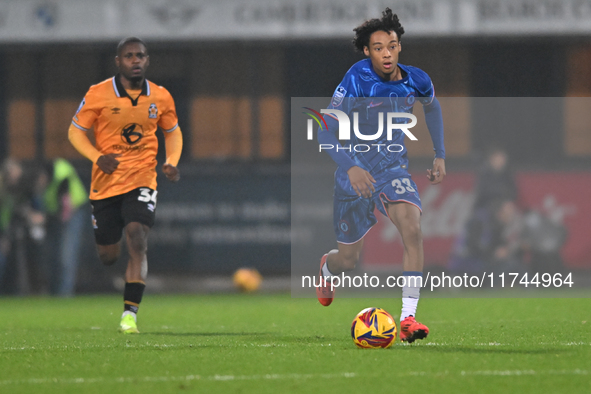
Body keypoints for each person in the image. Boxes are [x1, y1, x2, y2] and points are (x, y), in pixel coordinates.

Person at [315, 9, 445, 343]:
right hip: (353, 176)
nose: (386, 53)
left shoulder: (417, 80)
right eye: (378, 48)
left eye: (392, 45)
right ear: (366, 51)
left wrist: (439, 154)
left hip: (391, 171)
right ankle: (328, 268)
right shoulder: (355, 80)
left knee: (413, 230)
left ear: (399, 47)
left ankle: (408, 318)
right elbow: (324, 132)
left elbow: (432, 107)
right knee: (348, 260)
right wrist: (351, 166)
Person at [68, 37, 183, 333]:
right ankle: (114, 253)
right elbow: (75, 132)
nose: (136, 60)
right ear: (118, 61)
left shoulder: (161, 96)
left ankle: (129, 314)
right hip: (106, 184)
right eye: (129, 56)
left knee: (137, 237)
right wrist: (97, 157)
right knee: (109, 255)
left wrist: (171, 160)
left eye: (141, 55)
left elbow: (172, 132)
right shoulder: (98, 94)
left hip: (143, 179)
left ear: (147, 60)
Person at [40, 158, 89, 296]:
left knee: (66, 256)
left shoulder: (61, 174)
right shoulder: (51, 177)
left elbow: (65, 207)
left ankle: (64, 293)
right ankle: (56, 292)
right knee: (55, 256)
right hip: (56, 217)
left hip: (70, 216)